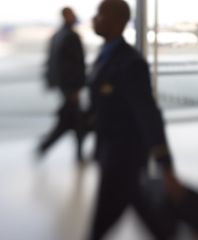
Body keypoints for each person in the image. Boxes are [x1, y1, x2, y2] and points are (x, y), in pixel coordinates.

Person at [86, 1, 183, 239]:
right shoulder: (104, 56)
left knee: (100, 226)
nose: (94, 18)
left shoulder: (131, 62)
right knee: (144, 209)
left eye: (100, 14)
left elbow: (148, 114)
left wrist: (166, 165)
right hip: (110, 153)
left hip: (123, 158)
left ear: (117, 22)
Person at [37, 7, 85, 162]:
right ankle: (45, 147)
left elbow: (52, 63)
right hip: (70, 87)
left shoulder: (58, 36)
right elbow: (74, 65)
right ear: (67, 16)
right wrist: (76, 87)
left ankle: (77, 153)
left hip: (63, 86)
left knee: (73, 120)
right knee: (70, 121)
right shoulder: (70, 36)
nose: (75, 17)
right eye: (72, 14)